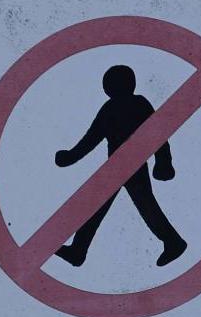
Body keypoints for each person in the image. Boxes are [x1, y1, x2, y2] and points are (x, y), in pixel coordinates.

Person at [53, 63, 188, 267]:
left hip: (128, 164)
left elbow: (157, 134)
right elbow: (92, 138)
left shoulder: (136, 104)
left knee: (140, 206)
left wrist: (163, 162)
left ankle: (173, 241)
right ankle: (78, 249)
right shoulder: (116, 107)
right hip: (117, 166)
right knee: (119, 205)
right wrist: (70, 156)